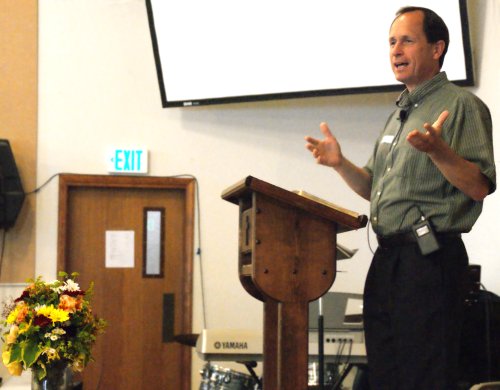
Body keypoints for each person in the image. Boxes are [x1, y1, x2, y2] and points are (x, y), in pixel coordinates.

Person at [305, 6, 496, 390]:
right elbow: (372, 187)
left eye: (407, 40)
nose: (396, 50)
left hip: (430, 260)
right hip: (389, 259)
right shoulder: (399, 114)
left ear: (437, 48)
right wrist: (340, 164)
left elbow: (479, 186)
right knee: (386, 374)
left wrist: (439, 151)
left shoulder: (461, 106)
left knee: (424, 375)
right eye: (392, 42)